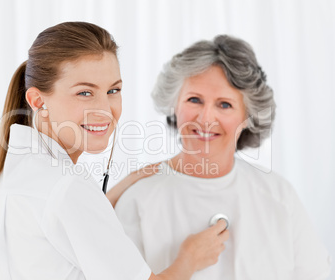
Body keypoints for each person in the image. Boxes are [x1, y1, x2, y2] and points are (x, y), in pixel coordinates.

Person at [0, 22, 229, 280]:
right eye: (84, 93)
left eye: (113, 90)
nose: (105, 109)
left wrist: (113, 193)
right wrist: (190, 257)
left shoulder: (13, 176)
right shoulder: (67, 189)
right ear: (37, 101)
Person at [114, 35, 331, 279]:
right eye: (194, 100)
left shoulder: (279, 196)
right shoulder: (138, 201)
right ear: (174, 105)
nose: (206, 119)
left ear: (247, 116)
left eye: (225, 105)